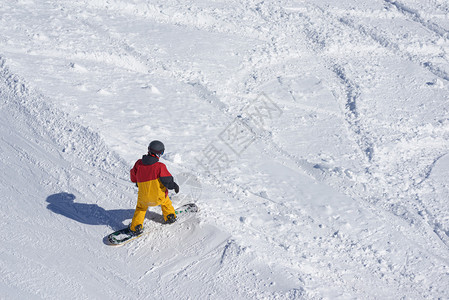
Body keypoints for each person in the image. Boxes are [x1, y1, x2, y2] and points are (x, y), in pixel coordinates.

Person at [129, 140, 180, 235]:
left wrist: (138, 181)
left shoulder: (138, 164)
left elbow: (133, 178)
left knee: (140, 208)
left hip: (143, 199)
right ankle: (170, 216)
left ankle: (136, 227)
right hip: (159, 198)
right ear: (160, 153)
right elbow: (168, 181)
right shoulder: (160, 166)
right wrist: (175, 186)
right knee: (166, 201)